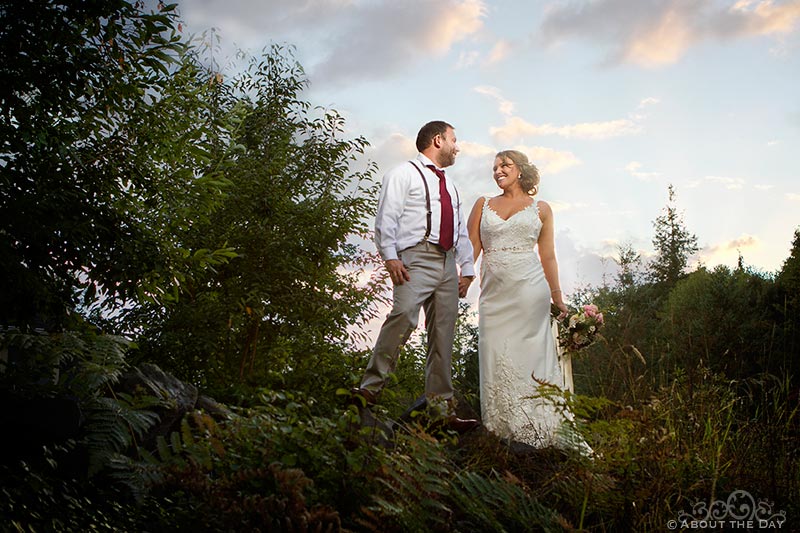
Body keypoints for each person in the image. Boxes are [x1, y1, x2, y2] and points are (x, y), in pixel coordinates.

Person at [352, 121, 478, 432]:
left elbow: (461, 231)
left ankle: (440, 407)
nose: (457, 147)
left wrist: (468, 269)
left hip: (448, 264)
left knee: (443, 333)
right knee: (404, 315)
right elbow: (387, 217)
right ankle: (370, 388)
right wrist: (390, 256)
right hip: (415, 259)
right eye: (453, 140)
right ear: (438, 140)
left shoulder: (451, 185)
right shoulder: (402, 173)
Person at [467, 149, 587, 449]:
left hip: (531, 291)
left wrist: (558, 298)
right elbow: (471, 247)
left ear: (520, 170)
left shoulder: (542, 209)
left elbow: (547, 256)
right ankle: (500, 431)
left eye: (504, 165)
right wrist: (463, 278)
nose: (497, 171)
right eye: (494, 167)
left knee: (531, 358)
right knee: (495, 353)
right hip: (494, 295)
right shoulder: (482, 204)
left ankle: (541, 431)